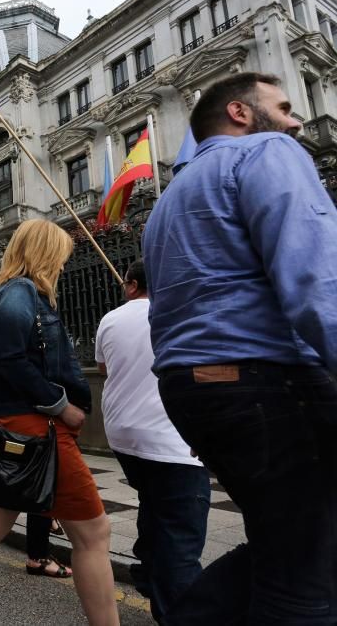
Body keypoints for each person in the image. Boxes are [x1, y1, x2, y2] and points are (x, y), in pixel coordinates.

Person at [143, 72, 337, 624]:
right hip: (270, 383)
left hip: (195, 389)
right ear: (241, 113)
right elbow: (317, 278)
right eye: (284, 106)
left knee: (287, 543)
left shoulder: (167, 201)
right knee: (306, 577)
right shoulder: (266, 151)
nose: (297, 121)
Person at [0, 219, 117, 626]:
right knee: (93, 533)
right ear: (44, 253)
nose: (64, 265)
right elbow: (10, 360)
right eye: (61, 256)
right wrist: (60, 404)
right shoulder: (20, 293)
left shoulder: (15, 294)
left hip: (21, 425)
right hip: (36, 427)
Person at [95, 259, 209, 622]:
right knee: (182, 534)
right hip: (169, 439)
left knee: (154, 502)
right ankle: (175, 610)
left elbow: (104, 369)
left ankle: (148, 569)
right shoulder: (180, 313)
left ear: (131, 285)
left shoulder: (109, 320)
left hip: (123, 436)